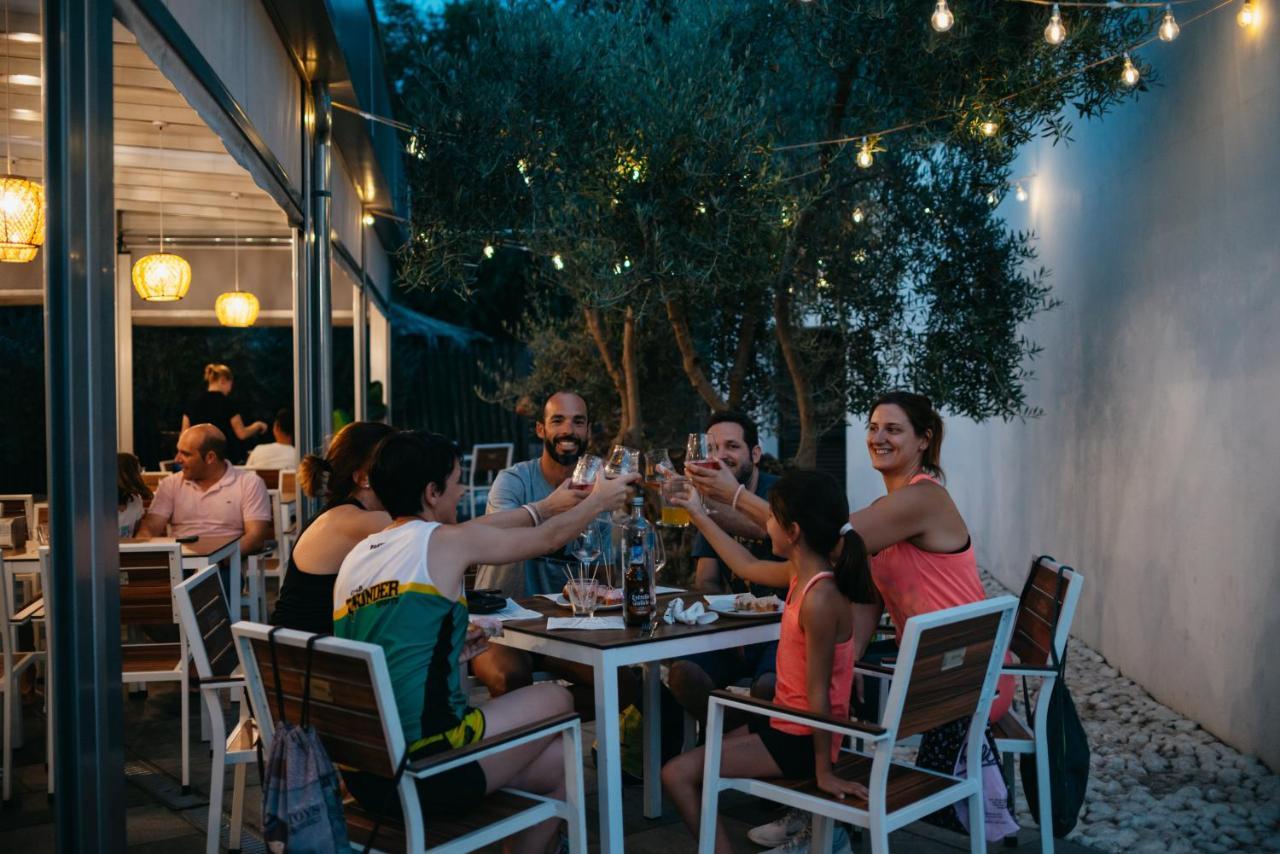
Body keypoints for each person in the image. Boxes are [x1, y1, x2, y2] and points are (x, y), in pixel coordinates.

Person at [688, 391, 1016, 846]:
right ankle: (818, 818)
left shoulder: (922, 500)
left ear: (924, 441)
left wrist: (736, 495)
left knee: (804, 704)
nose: (878, 437)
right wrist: (852, 657)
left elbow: (818, 540)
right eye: (873, 427)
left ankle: (819, 819)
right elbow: (869, 592)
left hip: (958, 678)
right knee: (823, 687)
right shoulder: (891, 510)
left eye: (894, 429)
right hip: (941, 673)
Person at [333, 431, 637, 853]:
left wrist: (447, 651)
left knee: (556, 763)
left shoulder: (361, 554)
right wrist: (599, 501)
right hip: (428, 768)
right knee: (554, 699)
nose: (462, 490)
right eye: (457, 480)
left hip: (365, 773)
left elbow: (388, 643)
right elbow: (545, 540)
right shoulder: (441, 541)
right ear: (431, 491)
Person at [660, 470, 873, 854]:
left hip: (802, 739)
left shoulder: (820, 599)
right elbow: (743, 564)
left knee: (676, 775)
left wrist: (824, 771)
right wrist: (698, 513)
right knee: (690, 764)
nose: (765, 524)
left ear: (792, 532)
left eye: (771, 517)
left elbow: (820, 694)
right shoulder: (803, 576)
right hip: (786, 721)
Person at [667, 411, 785, 727]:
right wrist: (722, 619)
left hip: (785, 627)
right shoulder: (708, 503)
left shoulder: (782, 493)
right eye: (712, 448)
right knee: (681, 672)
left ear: (755, 454)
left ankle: (755, 746)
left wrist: (705, 509)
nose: (720, 456)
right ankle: (730, 733)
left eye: (731, 446)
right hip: (734, 628)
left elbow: (768, 528)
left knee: (768, 685)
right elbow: (706, 578)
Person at [269, 421, 395, 634]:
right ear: (364, 478)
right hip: (304, 657)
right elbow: (434, 540)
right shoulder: (359, 520)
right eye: (396, 463)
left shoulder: (343, 513)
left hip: (293, 648)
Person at [137, 425, 271, 587]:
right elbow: (151, 526)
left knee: (210, 587)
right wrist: (143, 547)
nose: (177, 459)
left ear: (210, 457)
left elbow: (256, 536)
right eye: (178, 451)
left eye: (185, 454)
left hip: (223, 565)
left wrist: (219, 558)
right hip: (179, 563)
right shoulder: (170, 484)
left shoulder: (248, 483)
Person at [181, 364, 268, 464]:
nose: (230, 390)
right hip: (223, 462)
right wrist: (257, 425)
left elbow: (184, 437)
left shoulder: (192, 404)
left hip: (199, 462)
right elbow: (242, 434)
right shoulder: (229, 404)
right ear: (223, 380)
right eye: (230, 384)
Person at [117, 452, 152, 538]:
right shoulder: (97, 506)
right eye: (138, 472)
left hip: (128, 550)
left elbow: (136, 535)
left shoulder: (136, 500)